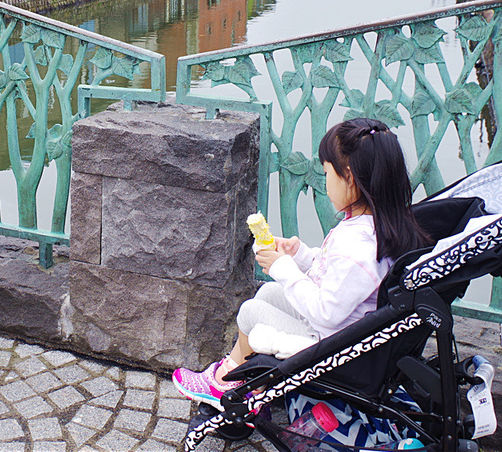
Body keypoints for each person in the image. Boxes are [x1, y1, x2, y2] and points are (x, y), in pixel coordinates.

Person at [172, 117, 430, 407]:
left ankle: (224, 385)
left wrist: (284, 269)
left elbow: (326, 311)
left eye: (327, 174)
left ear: (350, 178)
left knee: (251, 310)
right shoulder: (377, 224)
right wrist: (301, 256)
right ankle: (243, 374)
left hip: (334, 343)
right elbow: (338, 278)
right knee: (269, 293)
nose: (325, 183)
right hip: (346, 328)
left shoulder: (357, 248)